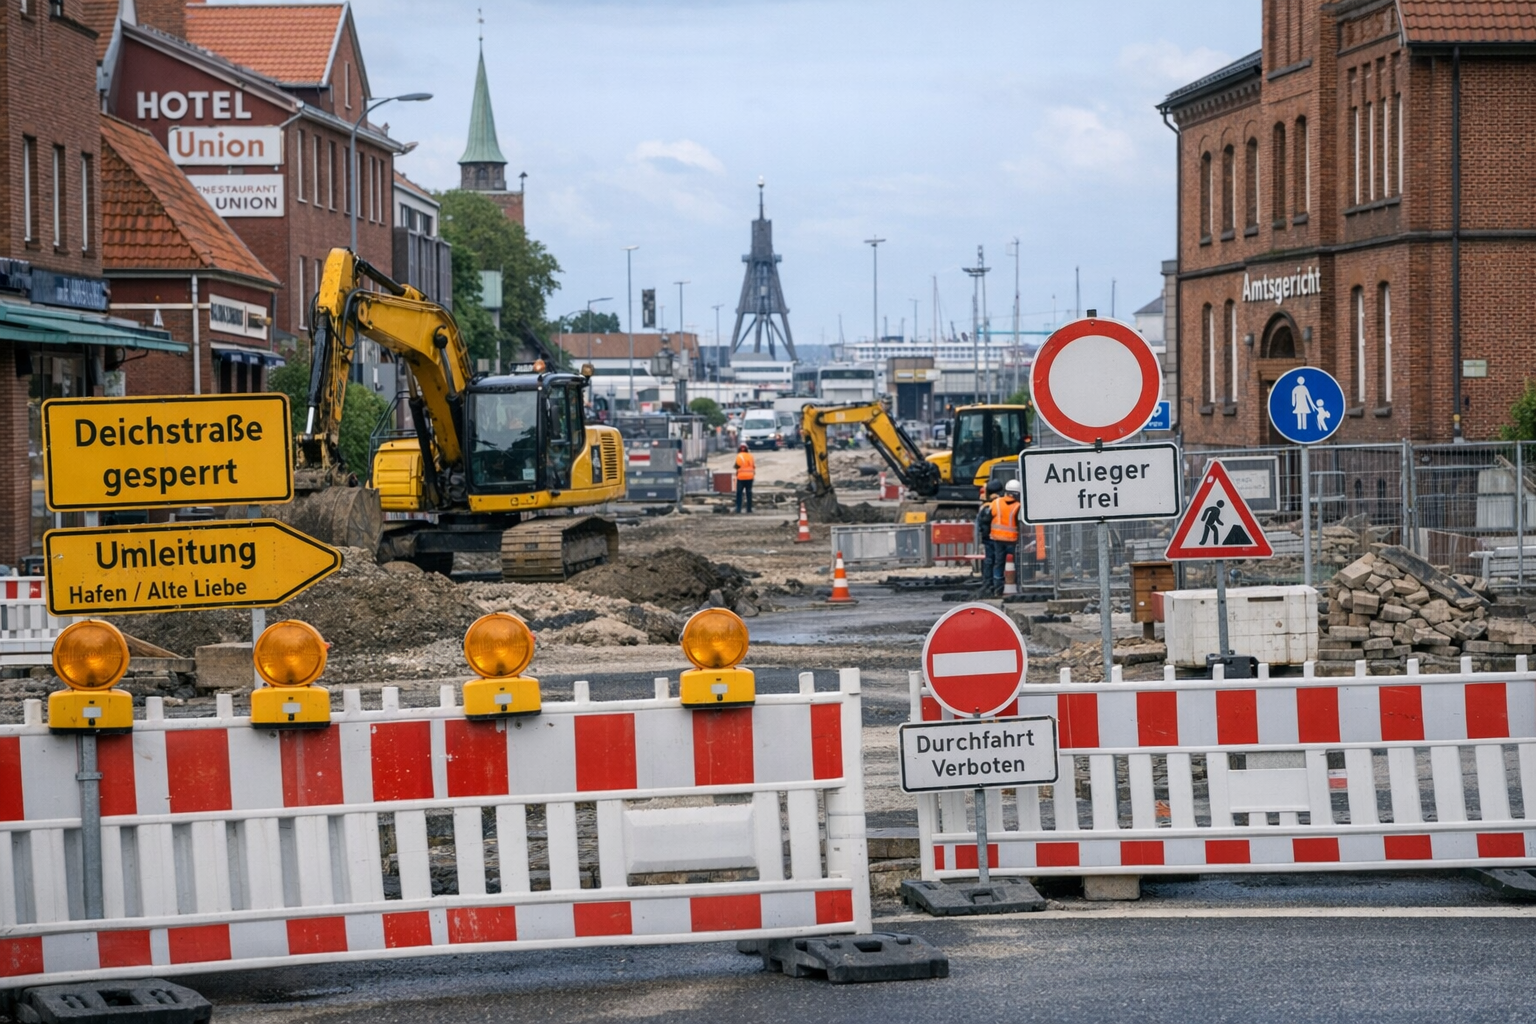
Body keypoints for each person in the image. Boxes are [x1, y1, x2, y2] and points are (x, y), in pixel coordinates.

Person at [988, 480, 1022, 595]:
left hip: (997, 539)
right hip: (1012, 540)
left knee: (999, 564)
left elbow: (988, 516)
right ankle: (1019, 587)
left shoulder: (996, 503)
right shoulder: (1018, 506)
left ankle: (998, 589)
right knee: (1018, 563)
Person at [975, 479, 1003, 592]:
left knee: (990, 561)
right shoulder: (998, 504)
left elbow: (979, 525)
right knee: (996, 561)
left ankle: (988, 583)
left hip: (990, 538)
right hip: (997, 538)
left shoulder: (987, 506)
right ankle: (994, 583)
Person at [734, 443, 756, 514]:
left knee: (739, 493)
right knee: (749, 493)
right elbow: (753, 466)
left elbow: (736, 466)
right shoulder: (751, 456)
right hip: (750, 477)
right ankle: (749, 509)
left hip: (741, 478)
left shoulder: (739, 456)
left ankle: (738, 509)